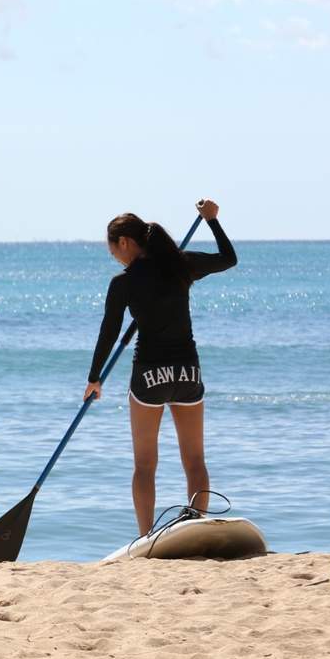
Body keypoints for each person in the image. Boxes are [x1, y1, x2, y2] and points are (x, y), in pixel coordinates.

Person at [83, 199, 237, 535]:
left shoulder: (123, 283)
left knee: (144, 465)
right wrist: (212, 221)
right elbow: (229, 258)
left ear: (125, 242)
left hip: (149, 375)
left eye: (113, 251)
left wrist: (95, 378)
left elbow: (109, 332)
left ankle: (144, 537)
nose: (115, 257)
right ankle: (196, 526)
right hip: (187, 373)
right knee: (195, 461)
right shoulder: (181, 265)